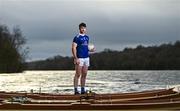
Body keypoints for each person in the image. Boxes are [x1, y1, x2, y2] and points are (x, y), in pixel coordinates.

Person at [72, 22, 95, 95]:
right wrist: (76, 58)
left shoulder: (87, 37)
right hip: (79, 58)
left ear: (86, 29)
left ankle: (82, 90)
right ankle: (76, 90)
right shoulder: (77, 37)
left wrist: (91, 50)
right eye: (82, 28)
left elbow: (85, 47)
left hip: (86, 58)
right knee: (78, 74)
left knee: (84, 74)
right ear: (79, 29)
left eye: (84, 28)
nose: (83, 29)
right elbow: (73, 48)